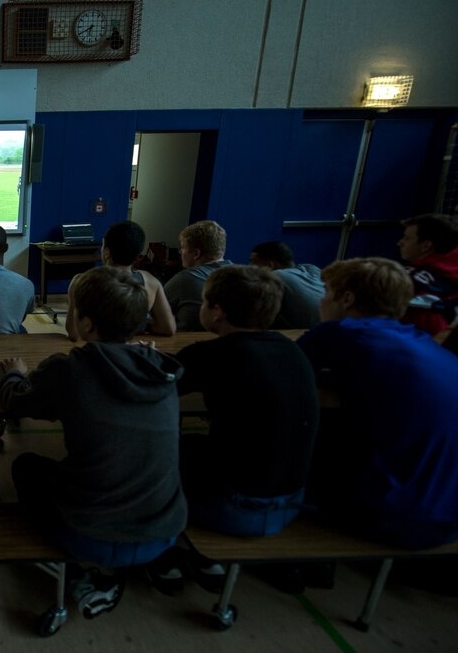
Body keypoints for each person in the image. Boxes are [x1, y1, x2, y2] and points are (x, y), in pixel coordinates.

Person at [0, 267, 186, 618]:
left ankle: (79, 574)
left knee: (25, 466)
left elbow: (17, 401)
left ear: (84, 323)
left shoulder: (68, 370)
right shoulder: (162, 367)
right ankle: (154, 563)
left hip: (86, 534)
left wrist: (14, 374)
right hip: (163, 533)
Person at [147, 266, 319, 593]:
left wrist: (148, 358)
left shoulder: (214, 354)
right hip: (290, 504)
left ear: (217, 311)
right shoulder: (293, 351)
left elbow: (158, 384)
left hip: (234, 508)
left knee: (154, 452)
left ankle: (160, 551)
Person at [298, 257, 458, 549]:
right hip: (448, 518)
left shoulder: (341, 332)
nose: (321, 301)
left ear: (346, 299)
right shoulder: (421, 341)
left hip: (392, 517)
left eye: (326, 292)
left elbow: (281, 384)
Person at [74, 220, 174, 337]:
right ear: (137, 254)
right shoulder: (151, 282)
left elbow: (74, 333)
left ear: (107, 252)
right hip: (131, 350)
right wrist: (142, 323)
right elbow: (168, 328)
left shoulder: (82, 281)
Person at [164, 220, 233, 331]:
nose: (181, 252)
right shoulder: (244, 277)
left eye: (183, 247)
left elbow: (156, 315)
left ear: (196, 254)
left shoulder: (185, 279)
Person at [396, 213, 458, 335]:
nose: (400, 243)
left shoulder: (415, 287)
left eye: (407, 238)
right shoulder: (451, 276)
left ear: (426, 246)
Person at [249, 240, 325, 328]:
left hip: (310, 334)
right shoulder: (312, 269)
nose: (250, 266)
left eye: (252, 262)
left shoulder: (275, 276)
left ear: (270, 265)